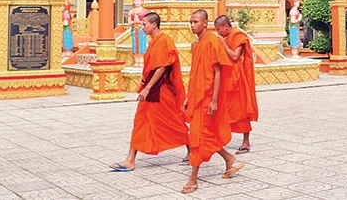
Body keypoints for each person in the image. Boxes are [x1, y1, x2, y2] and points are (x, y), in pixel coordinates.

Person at [109, 12, 189, 172]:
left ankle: (193, 149)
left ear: (154, 25)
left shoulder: (164, 41)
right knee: (140, 121)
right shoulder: (154, 42)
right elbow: (153, 65)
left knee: (173, 121)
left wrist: (147, 87)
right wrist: (144, 77)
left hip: (160, 90)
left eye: (145, 24)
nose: (142, 27)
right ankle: (130, 159)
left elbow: (162, 66)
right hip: (153, 89)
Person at [182, 10, 243, 194]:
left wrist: (215, 100)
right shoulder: (198, 43)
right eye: (191, 22)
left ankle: (193, 178)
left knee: (198, 137)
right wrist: (188, 97)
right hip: (197, 95)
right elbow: (196, 73)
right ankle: (228, 158)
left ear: (205, 23)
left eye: (195, 22)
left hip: (208, 97)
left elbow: (217, 71)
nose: (192, 25)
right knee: (203, 134)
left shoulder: (211, 41)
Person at [214, 15, 259, 155]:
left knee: (240, 109)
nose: (218, 32)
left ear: (226, 26)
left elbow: (234, 56)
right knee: (224, 109)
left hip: (236, 77)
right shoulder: (226, 38)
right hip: (225, 76)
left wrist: (222, 42)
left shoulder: (238, 36)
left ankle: (246, 141)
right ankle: (222, 138)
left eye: (219, 29)